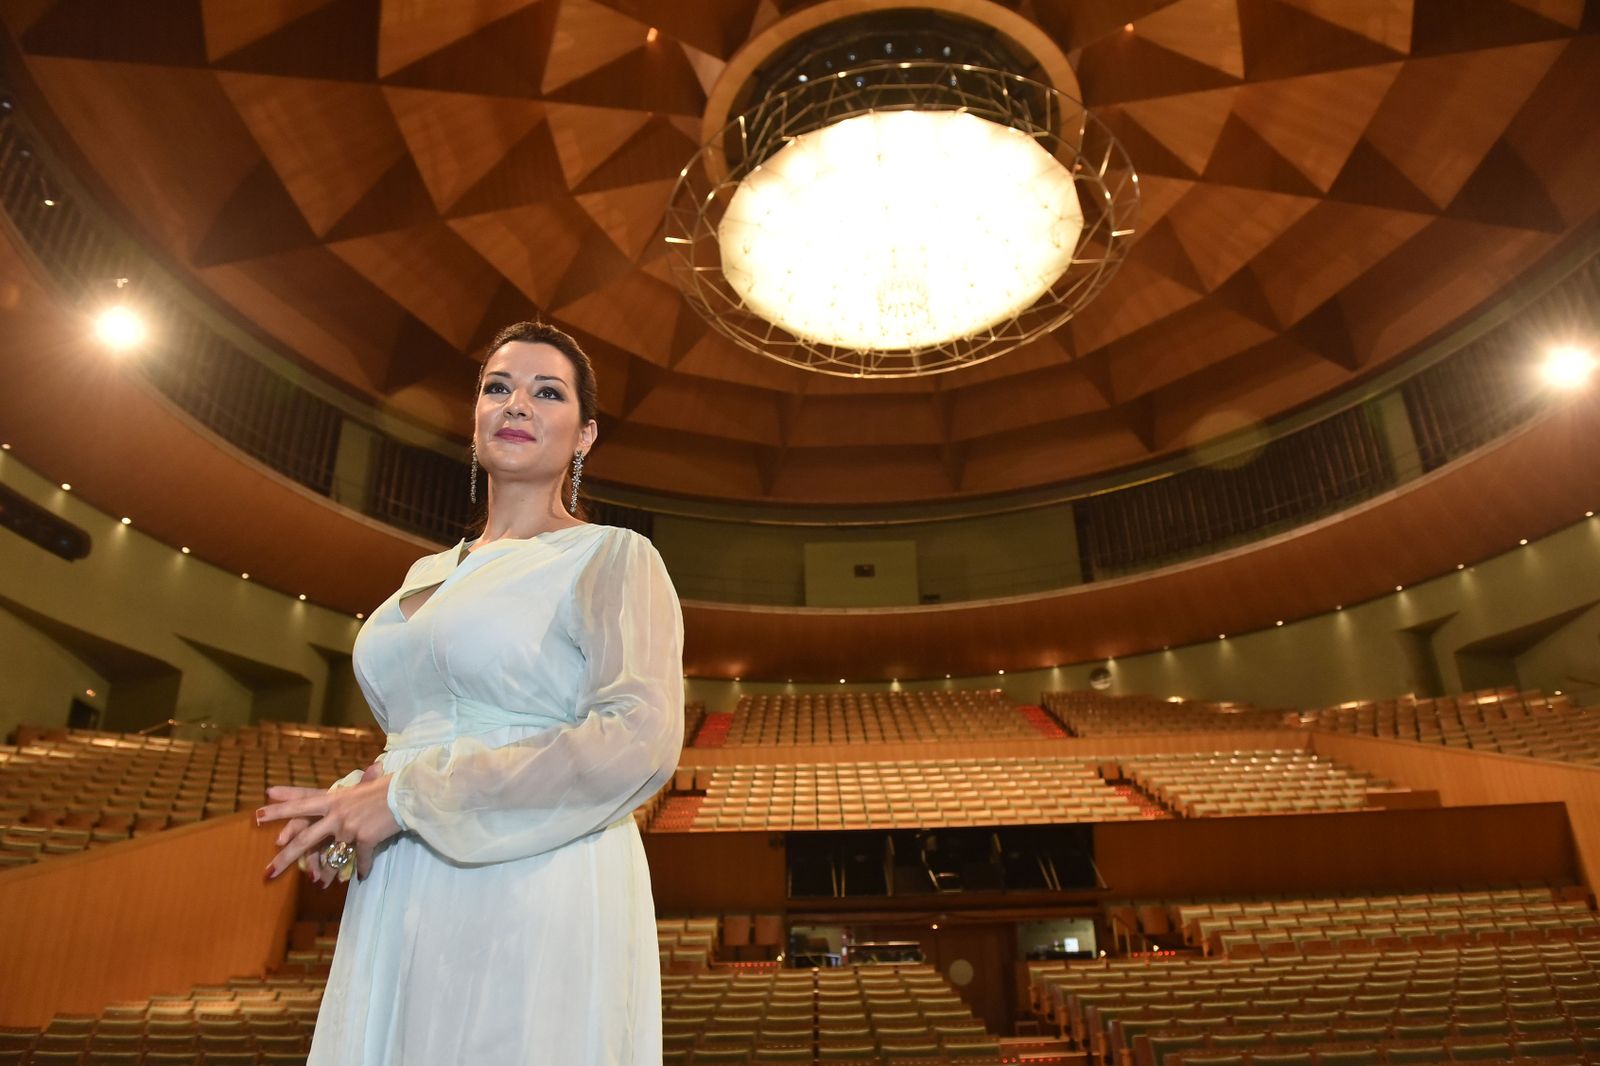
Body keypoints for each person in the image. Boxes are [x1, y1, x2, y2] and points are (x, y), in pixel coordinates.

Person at [256, 321, 685, 1065]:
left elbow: (638, 739)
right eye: (498, 387)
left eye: (546, 392)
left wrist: (403, 798)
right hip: (400, 883)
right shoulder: (422, 575)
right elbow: (421, 737)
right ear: (476, 417)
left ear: (584, 435)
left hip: (535, 875)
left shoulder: (613, 555)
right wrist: (351, 806)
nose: (516, 403)